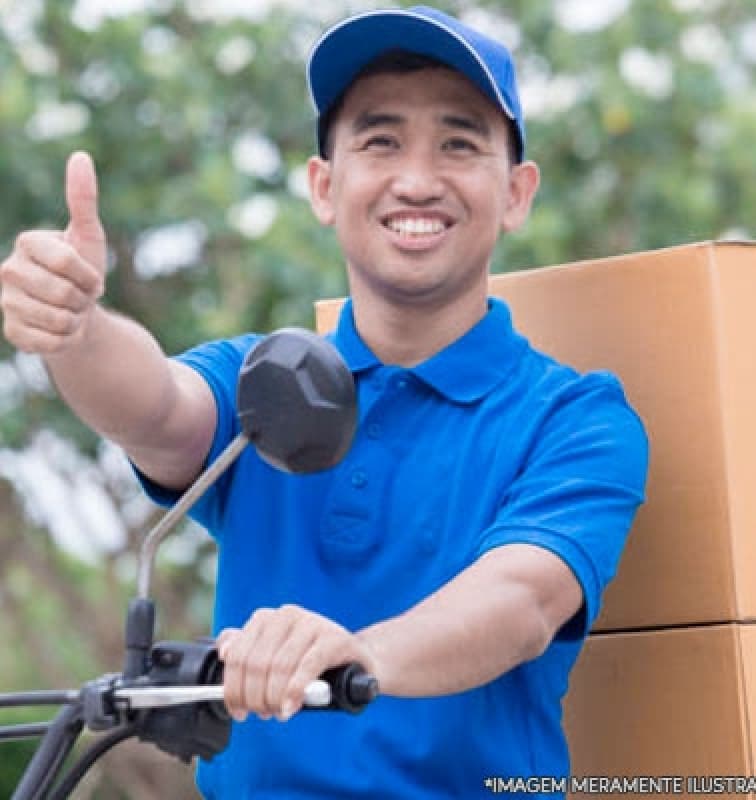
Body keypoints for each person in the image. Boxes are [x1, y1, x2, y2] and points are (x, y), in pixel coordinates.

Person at [0, 5, 648, 798]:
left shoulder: (576, 419)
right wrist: (75, 327)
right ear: (324, 186)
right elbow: (156, 408)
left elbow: (522, 599)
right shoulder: (265, 378)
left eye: (459, 143)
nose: (417, 179)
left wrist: (360, 654)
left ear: (515, 193)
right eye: (380, 141)